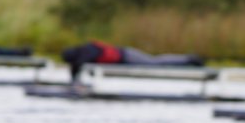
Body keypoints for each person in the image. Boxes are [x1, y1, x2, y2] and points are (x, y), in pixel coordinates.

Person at [60, 40, 204, 82]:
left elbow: (79, 64)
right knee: (154, 62)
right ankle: (186, 59)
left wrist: (74, 80)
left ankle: (187, 59)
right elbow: (77, 66)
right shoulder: (82, 53)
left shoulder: (87, 50)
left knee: (153, 63)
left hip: (127, 55)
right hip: (123, 58)